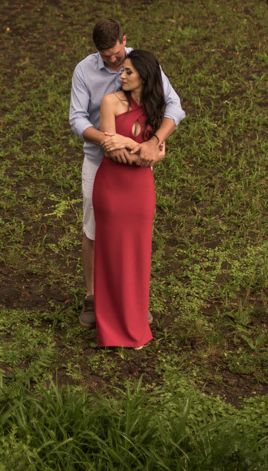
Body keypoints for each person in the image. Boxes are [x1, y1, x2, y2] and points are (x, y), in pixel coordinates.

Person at [68, 19, 184, 328]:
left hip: (135, 162)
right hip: (99, 160)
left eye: (116, 54)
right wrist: (107, 141)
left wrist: (155, 143)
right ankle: (93, 297)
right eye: (105, 57)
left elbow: (174, 106)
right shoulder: (84, 71)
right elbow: (77, 119)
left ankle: (132, 299)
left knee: (134, 233)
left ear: (124, 41)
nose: (113, 62)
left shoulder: (142, 64)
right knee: (93, 229)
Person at [93, 49, 165, 347]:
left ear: (144, 78)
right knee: (110, 256)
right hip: (112, 188)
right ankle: (109, 330)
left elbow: (161, 152)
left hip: (141, 193)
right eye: (122, 71)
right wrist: (140, 150)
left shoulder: (155, 107)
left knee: (138, 256)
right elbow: (112, 149)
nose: (121, 76)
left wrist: (131, 144)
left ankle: (135, 326)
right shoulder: (110, 102)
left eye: (128, 72)